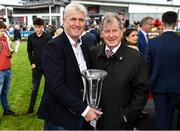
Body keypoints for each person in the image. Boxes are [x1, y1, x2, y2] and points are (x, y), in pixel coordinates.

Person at [37, 3, 102, 130]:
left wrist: (90, 105)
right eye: (73, 19)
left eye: (81, 20)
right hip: (61, 119)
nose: (77, 24)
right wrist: (84, 110)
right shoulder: (54, 47)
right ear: (64, 21)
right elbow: (55, 86)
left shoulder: (84, 46)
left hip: (81, 117)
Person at [90, 12, 150, 130]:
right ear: (101, 33)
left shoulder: (135, 57)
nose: (111, 35)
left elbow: (142, 90)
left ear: (122, 31)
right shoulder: (93, 53)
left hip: (120, 122)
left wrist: (127, 115)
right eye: (107, 31)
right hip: (93, 120)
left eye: (115, 30)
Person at [145, 11, 180, 130]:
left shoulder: (153, 42)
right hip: (177, 86)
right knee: (172, 117)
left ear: (162, 22)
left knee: (161, 117)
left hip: (158, 86)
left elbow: (147, 65)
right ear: (176, 23)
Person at [26, 18, 52, 115]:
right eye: (36, 27)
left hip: (47, 66)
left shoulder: (48, 37)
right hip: (36, 66)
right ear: (34, 27)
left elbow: (52, 51)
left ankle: (49, 107)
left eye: (39, 27)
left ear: (43, 27)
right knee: (34, 88)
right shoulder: (30, 37)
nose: (38, 29)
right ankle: (31, 108)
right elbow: (29, 51)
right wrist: (31, 62)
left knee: (50, 87)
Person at [0, 21, 16, 116]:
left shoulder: (5, 39)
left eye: (4, 31)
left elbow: (6, 53)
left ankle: (6, 110)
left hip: (7, 69)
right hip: (0, 70)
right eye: (1, 30)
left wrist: (10, 54)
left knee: (5, 92)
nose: (3, 32)